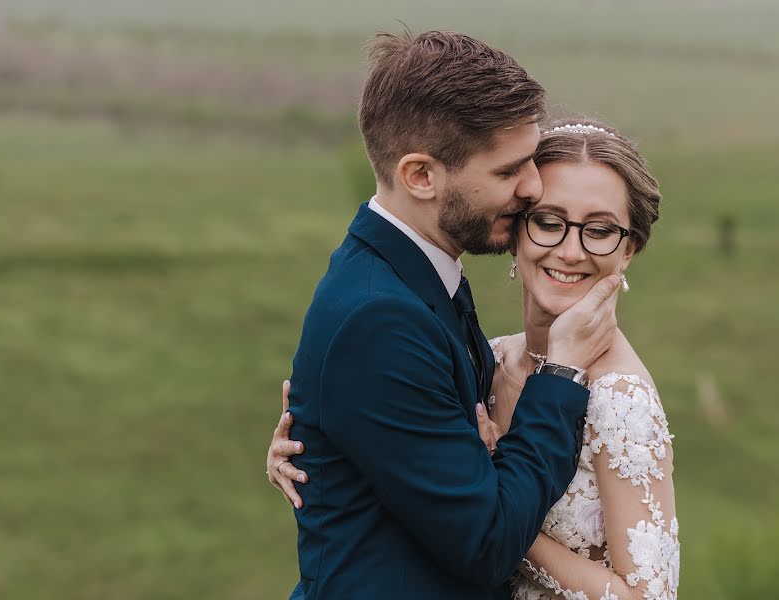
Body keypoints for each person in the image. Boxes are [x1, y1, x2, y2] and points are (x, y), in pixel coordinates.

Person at [266, 30, 621, 600]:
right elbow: (485, 542)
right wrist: (563, 374)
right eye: (508, 172)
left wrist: (334, 444)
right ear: (420, 176)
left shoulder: (413, 273)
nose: (533, 188)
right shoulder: (381, 319)